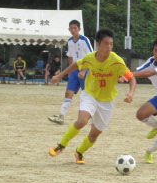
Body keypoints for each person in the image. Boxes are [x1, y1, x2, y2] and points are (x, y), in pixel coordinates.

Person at [48, 28, 136, 164]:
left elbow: (131, 78)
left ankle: (79, 152)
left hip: (107, 101)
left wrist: (131, 93)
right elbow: (76, 65)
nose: (109, 47)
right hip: (90, 95)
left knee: (94, 134)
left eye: (111, 44)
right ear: (98, 44)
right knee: (82, 121)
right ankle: (62, 144)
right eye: (106, 43)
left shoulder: (117, 61)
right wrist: (59, 76)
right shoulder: (90, 58)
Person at [48, 19, 93, 124]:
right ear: (69, 29)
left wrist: (84, 70)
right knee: (68, 93)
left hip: (85, 70)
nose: (73, 30)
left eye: (75, 28)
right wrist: (69, 71)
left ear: (79, 29)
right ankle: (61, 116)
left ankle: (91, 116)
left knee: (87, 95)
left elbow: (91, 56)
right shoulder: (70, 41)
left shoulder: (84, 40)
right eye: (71, 28)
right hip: (74, 70)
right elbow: (70, 56)